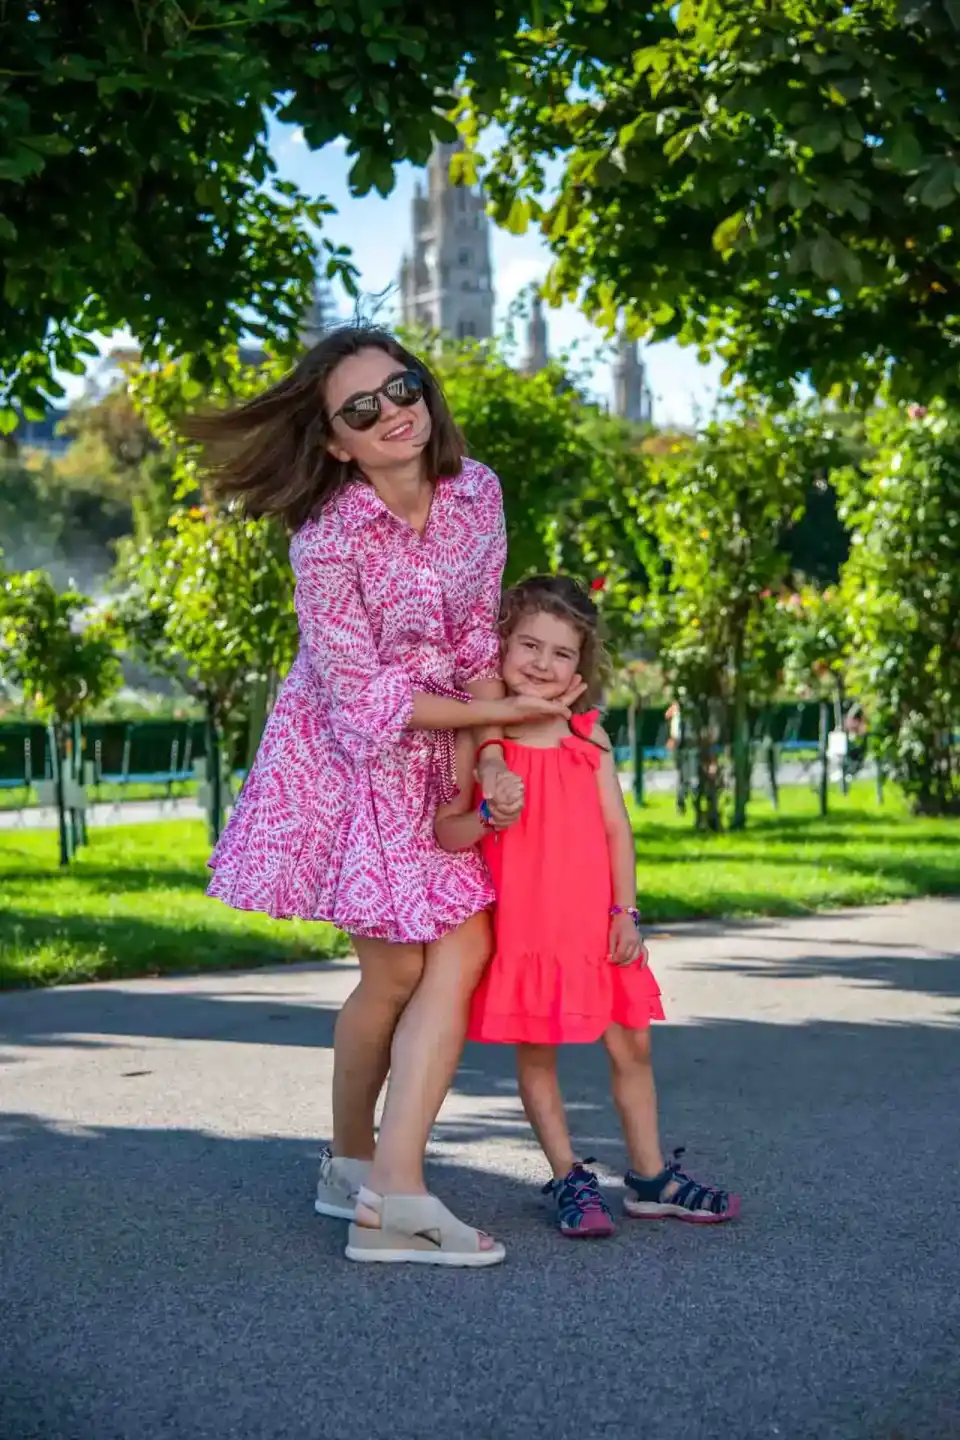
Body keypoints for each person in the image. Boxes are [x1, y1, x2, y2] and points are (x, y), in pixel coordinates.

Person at [188, 327, 577, 1267]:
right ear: (336, 444)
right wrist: (502, 709)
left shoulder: (475, 489)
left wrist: (489, 748)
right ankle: (378, 1181)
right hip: (346, 758)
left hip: (444, 743)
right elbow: (364, 703)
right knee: (399, 970)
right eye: (360, 409)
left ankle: (361, 1175)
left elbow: (482, 633)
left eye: (400, 387)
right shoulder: (323, 541)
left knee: (439, 956)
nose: (392, 411)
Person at [435, 575, 740, 1237]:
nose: (542, 664)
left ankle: (652, 1178)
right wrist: (488, 814)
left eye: (561, 653)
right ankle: (569, 1175)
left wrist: (625, 913)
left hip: (598, 930)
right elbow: (445, 832)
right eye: (529, 645)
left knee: (633, 1047)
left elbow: (616, 831)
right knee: (538, 1058)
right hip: (530, 935)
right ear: (502, 647)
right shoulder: (484, 743)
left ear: (582, 665)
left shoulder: (587, 736)